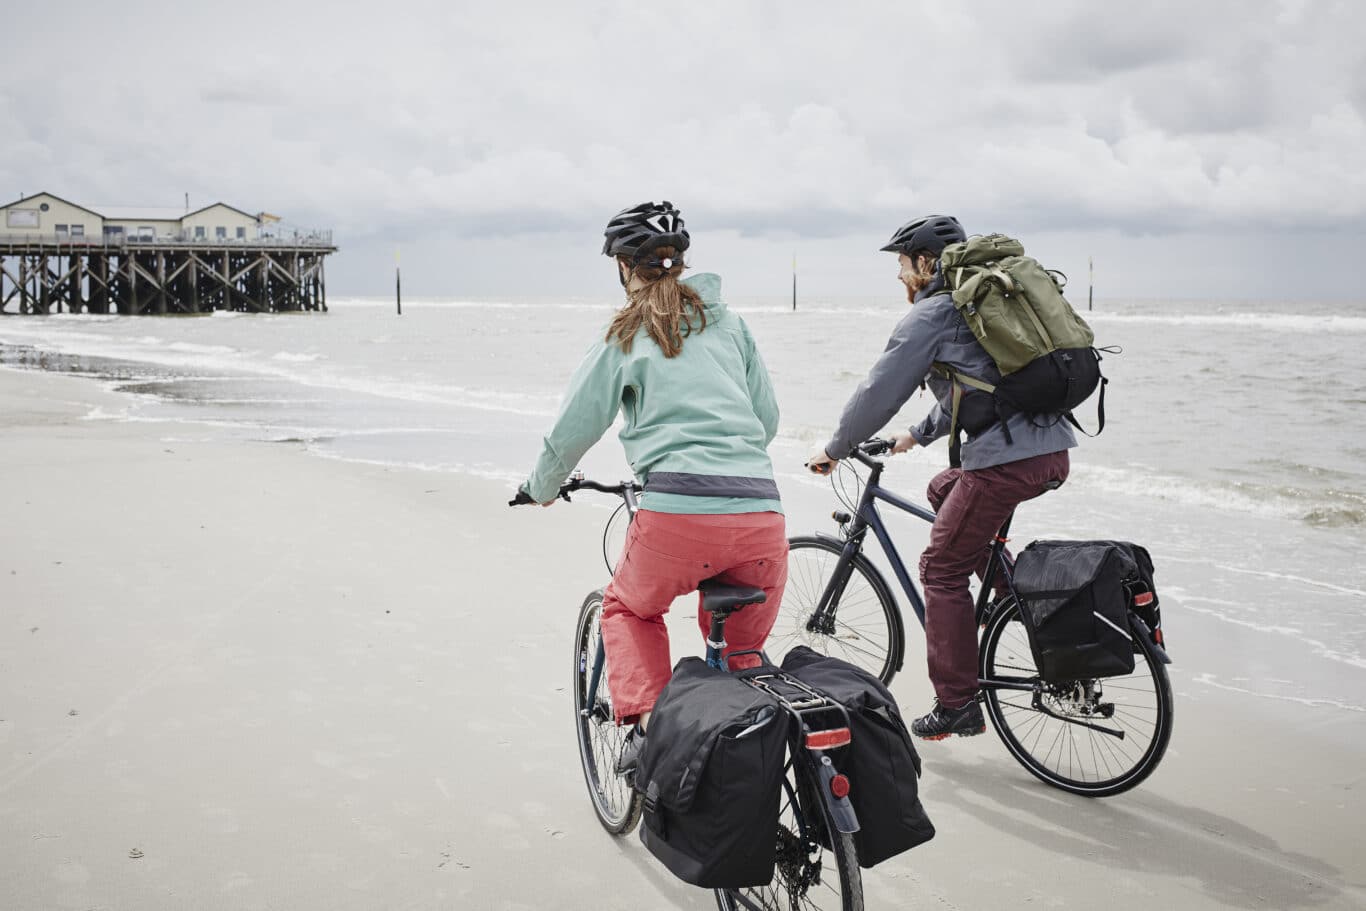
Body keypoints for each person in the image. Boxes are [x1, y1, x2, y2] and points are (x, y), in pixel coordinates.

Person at [518, 201, 787, 768]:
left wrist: (543, 485)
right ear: (680, 263)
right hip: (763, 516)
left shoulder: (626, 331)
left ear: (622, 267)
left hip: (676, 515)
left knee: (627, 611)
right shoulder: (732, 323)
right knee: (744, 656)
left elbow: (576, 425)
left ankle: (651, 738)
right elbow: (766, 421)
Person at [807, 214, 1074, 740]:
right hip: (1050, 452)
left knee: (940, 570)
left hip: (1006, 464)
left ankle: (957, 705)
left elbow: (877, 391)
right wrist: (916, 435)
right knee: (942, 488)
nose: (900, 275)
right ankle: (1012, 595)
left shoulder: (931, 314)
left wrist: (835, 448)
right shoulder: (978, 308)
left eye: (903, 264)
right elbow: (978, 388)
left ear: (926, 262)